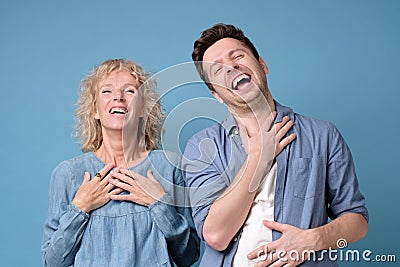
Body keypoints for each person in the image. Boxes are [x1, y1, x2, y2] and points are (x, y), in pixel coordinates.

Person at [183, 23, 368, 266]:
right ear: (216, 94)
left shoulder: (323, 135)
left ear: (262, 65)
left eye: (237, 56)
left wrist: (314, 239)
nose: (231, 67)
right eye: (218, 70)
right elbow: (216, 236)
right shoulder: (201, 147)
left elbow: (358, 223)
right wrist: (260, 156)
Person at [41, 59, 200, 266]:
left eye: (130, 91)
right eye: (107, 91)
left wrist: (159, 205)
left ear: (143, 109)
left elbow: (189, 256)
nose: (118, 97)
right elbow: (52, 262)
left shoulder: (170, 167)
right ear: (95, 111)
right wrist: (80, 208)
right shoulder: (69, 174)